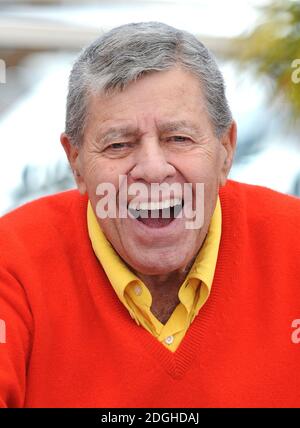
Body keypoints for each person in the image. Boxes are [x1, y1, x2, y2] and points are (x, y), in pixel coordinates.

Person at [0, 21, 300, 408]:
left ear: (226, 149)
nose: (154, 169)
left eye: (179, 138)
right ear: (76, 162)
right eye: (119, 144)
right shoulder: (11, 260)